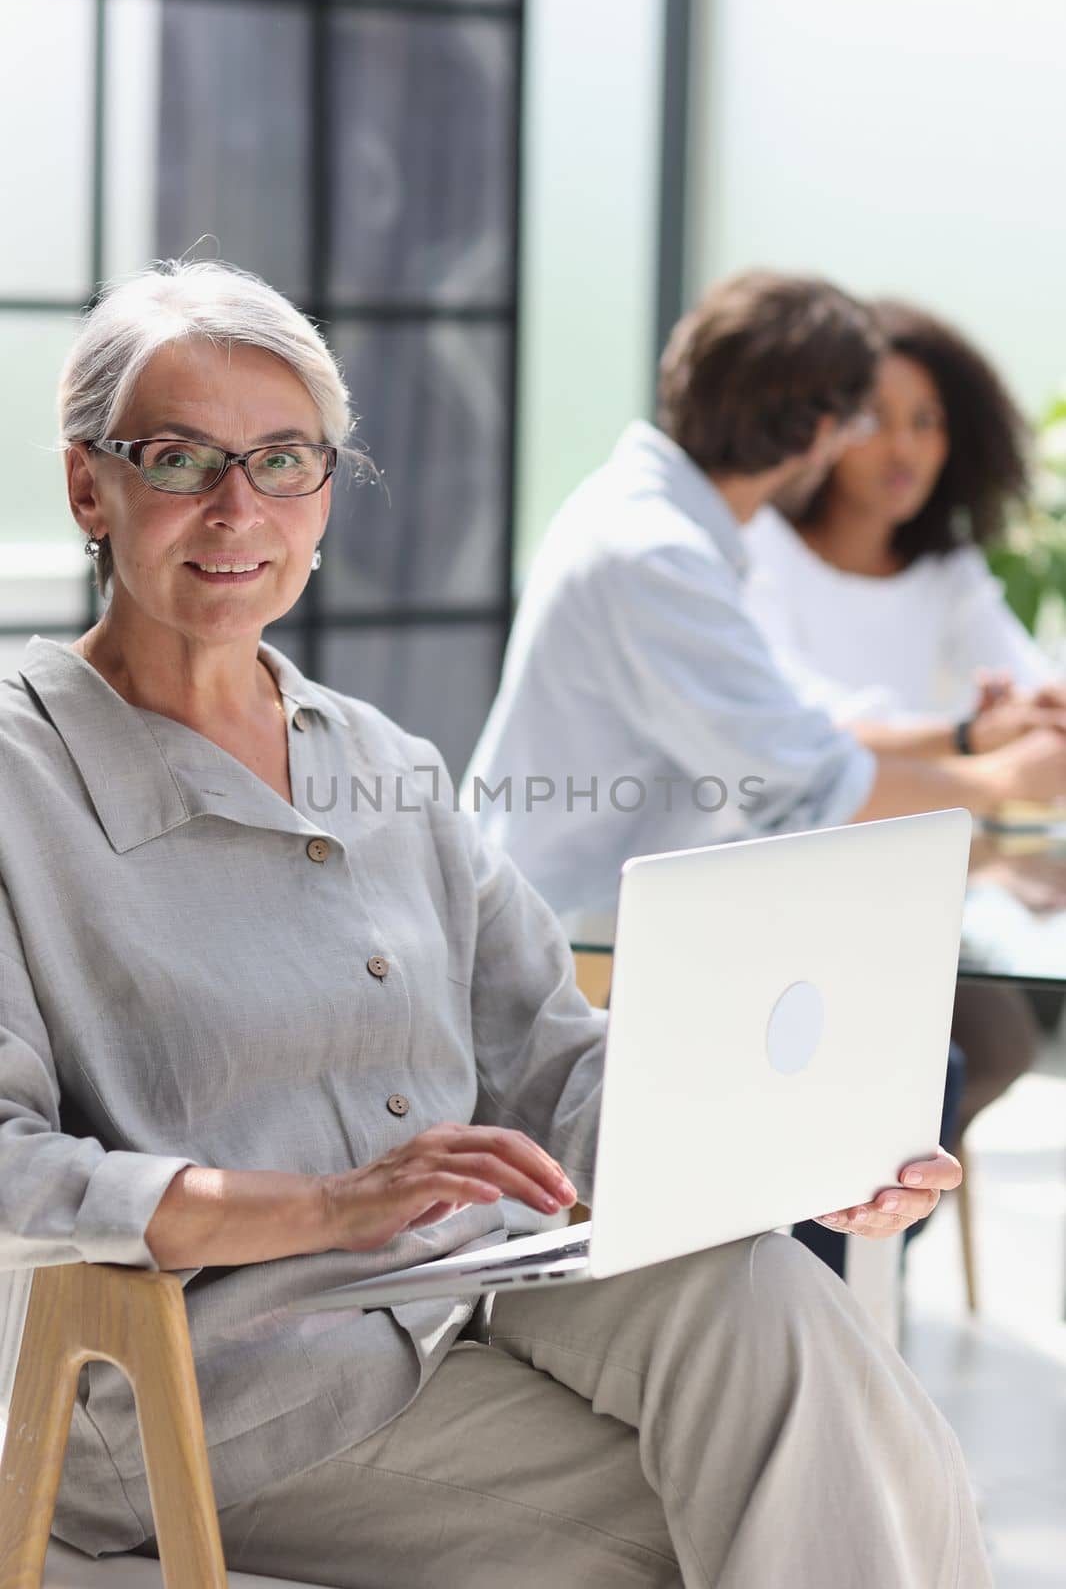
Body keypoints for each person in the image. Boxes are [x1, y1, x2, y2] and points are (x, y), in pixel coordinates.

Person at [0, 259, 989, 1587]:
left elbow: (554, 1060)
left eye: (285, 460)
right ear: (89, 487)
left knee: (771, 1304)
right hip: (233, 1373)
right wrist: (320, 1207)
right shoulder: (21, 780)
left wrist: (802, 1158)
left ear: (324, 498)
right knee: (753, 1520)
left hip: (482, 1284)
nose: (239, 505)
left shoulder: (385, 763)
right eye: (181, 457)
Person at [463, 272, 1066, 946]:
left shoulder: (656, 526)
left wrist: (963, 739)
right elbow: (805, 787)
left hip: (610, 928)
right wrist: (1000, 778)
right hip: (565, 954)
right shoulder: (657, 557)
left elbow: (797, 729)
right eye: (867, 419)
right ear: (822, 433)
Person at [744, 298, 1066, 1146]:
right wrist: (974, 737)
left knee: (990, 1040)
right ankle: (846, 1247)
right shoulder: (762, 554)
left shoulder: (950, 570)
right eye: (875, 419)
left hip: (911, 889)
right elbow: (797, 726)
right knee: (955, 1044)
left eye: (926, 421)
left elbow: (1032, 692)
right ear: (820, 431)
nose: (905, 447)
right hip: (780, 885)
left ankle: (879, 1249)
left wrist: (1034, 716)